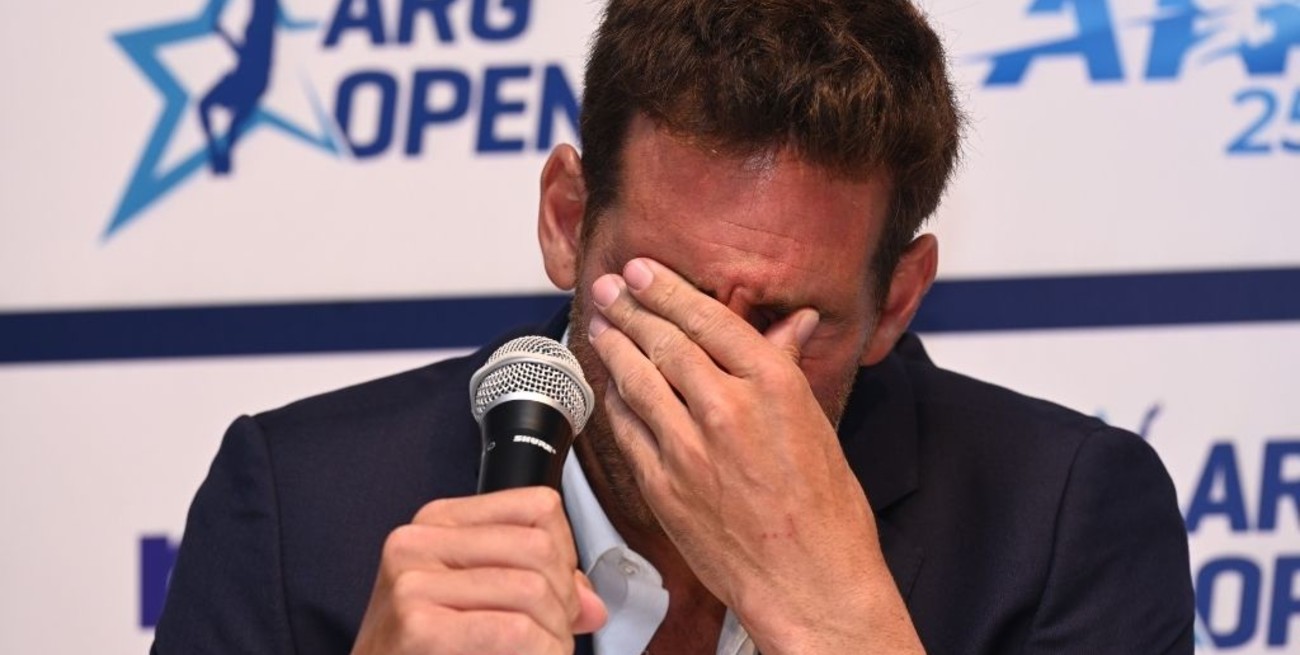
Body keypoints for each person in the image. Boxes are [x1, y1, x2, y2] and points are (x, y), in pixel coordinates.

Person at [152, 0, 1195, 653]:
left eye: (783, 319)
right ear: (569, 221)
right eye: (658, 291)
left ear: (897, 300)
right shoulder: (298, 506)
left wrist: (832, 615)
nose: (701, 374)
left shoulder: (1061, 522)